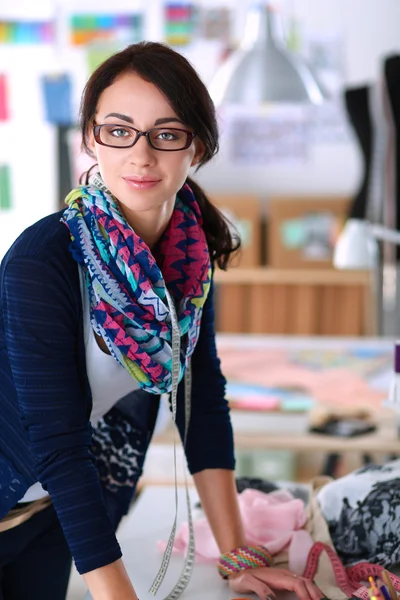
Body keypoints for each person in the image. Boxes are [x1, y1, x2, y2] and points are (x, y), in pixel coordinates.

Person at [0, 42, 324, 600]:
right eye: (119, 130)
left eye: (167, 134)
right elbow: (56, 439)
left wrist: (237, 559)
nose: (141, 155)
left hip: (51, 515)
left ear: (196, 147)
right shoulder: (43, 258)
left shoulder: (187, 261)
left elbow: (202, 408)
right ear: (91, 139)